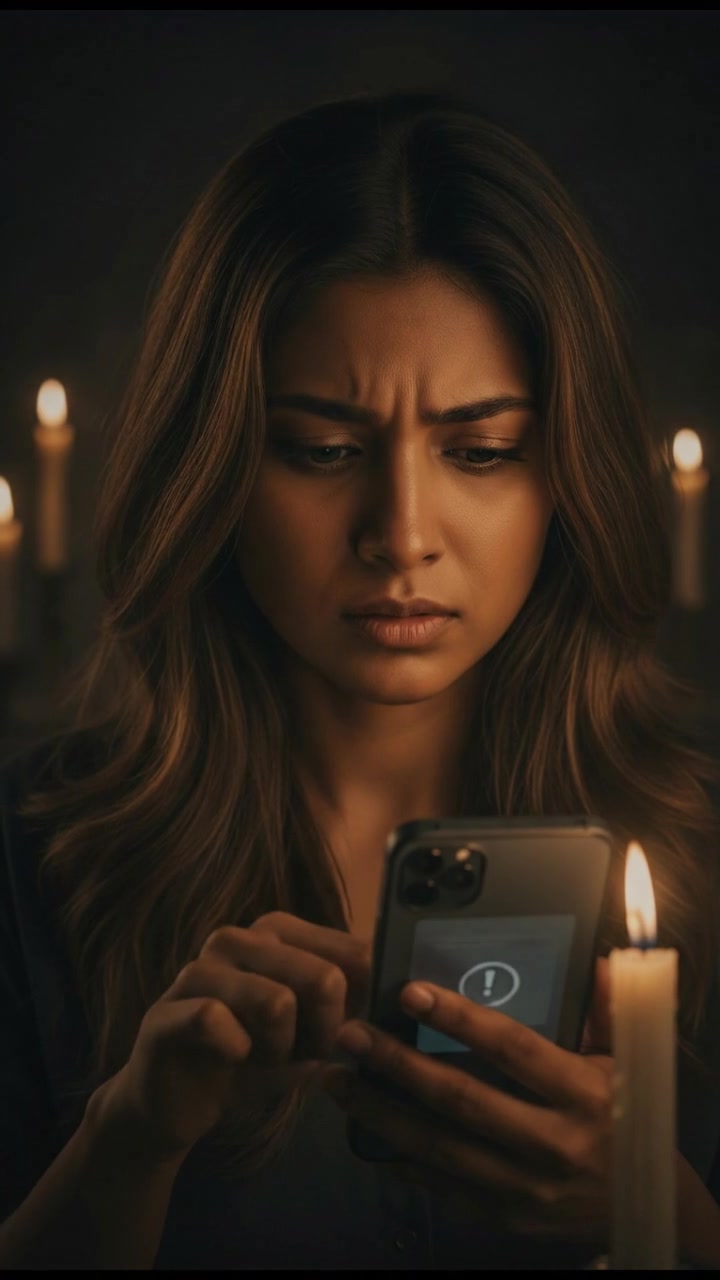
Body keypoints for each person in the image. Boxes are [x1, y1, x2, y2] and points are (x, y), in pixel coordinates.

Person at [1, 86, 720, 1270]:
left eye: (480, 451)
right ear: (218, 464)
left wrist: (659, 1214)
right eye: (322, 449)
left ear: (567, 474)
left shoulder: (694, 844)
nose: (401, 532)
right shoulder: (39, 857)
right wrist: (128, 1141)